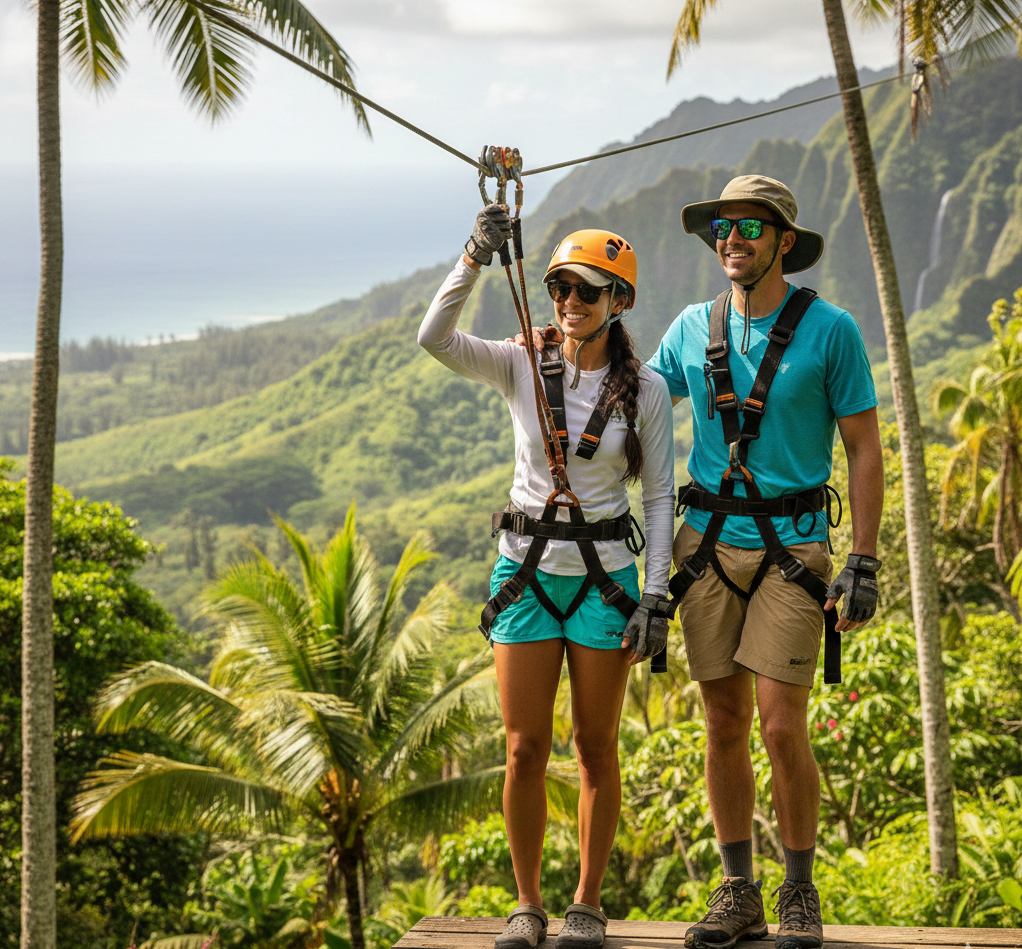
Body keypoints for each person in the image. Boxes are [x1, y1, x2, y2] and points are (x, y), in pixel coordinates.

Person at [418, 204, 675, 949]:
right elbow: (434, 337)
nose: (567, 301)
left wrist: (654, 595)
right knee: (524, 747)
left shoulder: (646, 391)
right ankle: (527, 904)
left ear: (618, 302)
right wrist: (473, 254)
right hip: (526, 572)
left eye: (586, 291)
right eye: (561, 286)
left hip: (606, 580)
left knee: (596, 748)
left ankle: (587, 904)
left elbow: (657, 495)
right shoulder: (521, 362)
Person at [647, 176, 884, 949]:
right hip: (708, 544)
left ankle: (799, 889)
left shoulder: (831, 330)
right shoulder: (690, 327)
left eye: (751, 226)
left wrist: (865, 559)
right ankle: (739, 887)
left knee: (782, 727)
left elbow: (865, 447)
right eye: (722, 226)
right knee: (722, 723)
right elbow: (638, 409)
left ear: (785, 240)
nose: (732, 238)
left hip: (793, 548)